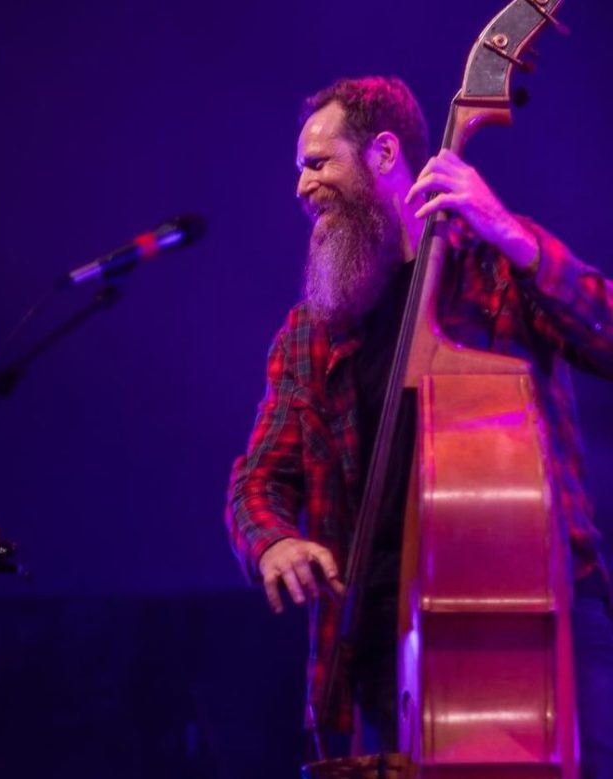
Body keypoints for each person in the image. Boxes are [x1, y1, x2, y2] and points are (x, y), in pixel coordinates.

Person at [224, 76, 613, 775]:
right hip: (383, 648)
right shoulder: (311, 332)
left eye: (318, 163)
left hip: (536, 618)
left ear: (381, 153)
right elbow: (256, 480)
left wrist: (513, 234)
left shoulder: (492, 265)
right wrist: (274, 541)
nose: (301, 187)